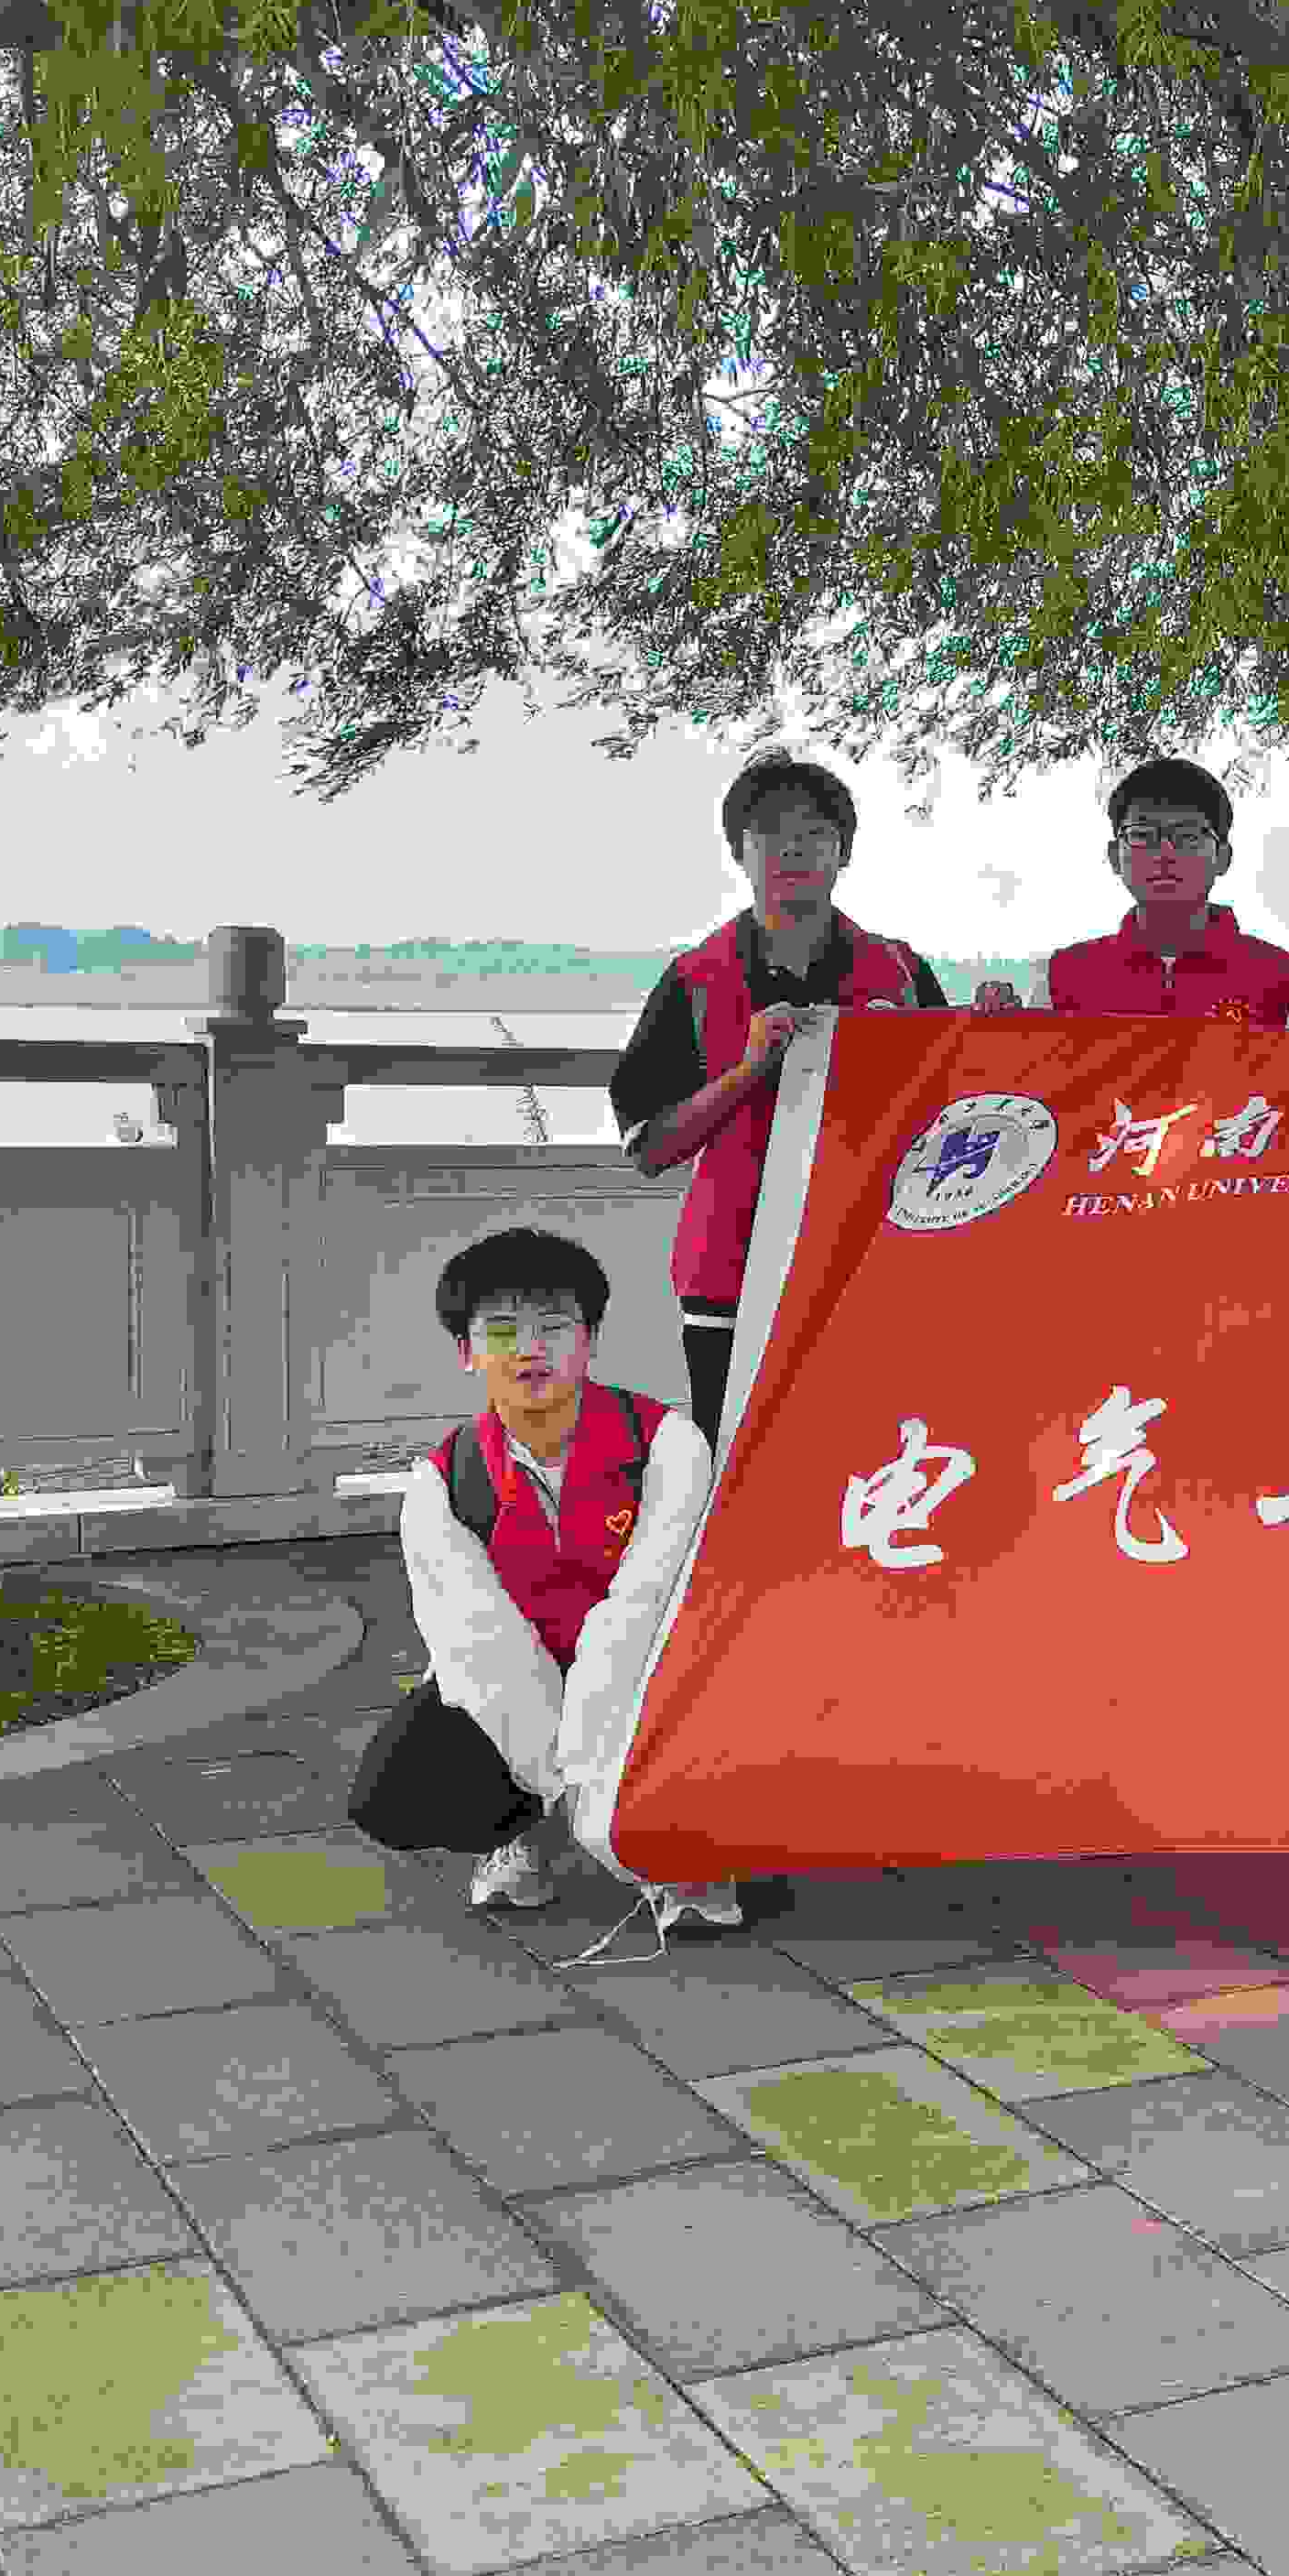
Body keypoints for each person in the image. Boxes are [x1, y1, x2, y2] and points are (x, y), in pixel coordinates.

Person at [348, 1228, 767, 1944]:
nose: (529, 1349)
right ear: (466, 1351)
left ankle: (681, 1848)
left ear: (591, 1339)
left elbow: (644, 1609)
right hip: (530, 1677)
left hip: (656, 1671)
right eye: (501, 1330)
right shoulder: (443, 1482)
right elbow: (482, 1646)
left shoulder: (666, 1445)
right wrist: (569, 1788)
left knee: (714, 1686)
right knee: (399, 1781)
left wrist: (603, 1795)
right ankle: (531, 1829)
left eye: (554, 1327)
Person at [612, 754, 947, 1444]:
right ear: (740, 851)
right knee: (734, 1464)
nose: (793, 847)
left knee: (867, 1457)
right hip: (729, 1276)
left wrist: (988, 1027)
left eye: (814, 831)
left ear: (843, 851)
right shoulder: (694, 980)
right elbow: (650, 1149)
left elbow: (951, 1113)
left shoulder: (902, 974)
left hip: (872, 1266)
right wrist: (748, 1071)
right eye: (770, 831)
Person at [973, 756, 1289, 1025]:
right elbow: (1034, 1084)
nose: (1165, 852)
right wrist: (1001, 1033)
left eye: (1188, 835)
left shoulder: (1279, 979)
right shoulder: (1064, 976)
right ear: (1114, 857)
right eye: (1142, 835)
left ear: (1223, 857)